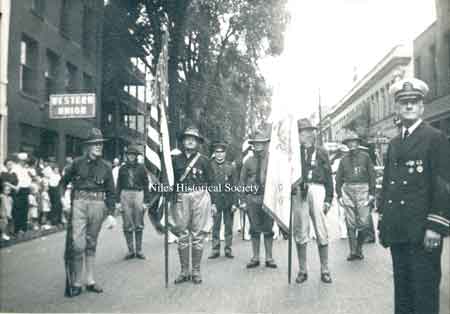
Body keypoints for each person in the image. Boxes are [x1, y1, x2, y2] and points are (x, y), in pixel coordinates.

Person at [379, 77, 450, 314]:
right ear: (397, 108)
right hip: (399, 231)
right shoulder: (395, 143)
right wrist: (384, 222)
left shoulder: (435, 138)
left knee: (424, 293)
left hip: (422, 232)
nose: (409, 106)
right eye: (404, 102)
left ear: (422, 106)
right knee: (403, 294)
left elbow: (442, 185)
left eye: (414, 101)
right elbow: (389, 185)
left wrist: (435, 226)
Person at [60, 128, 117, 297]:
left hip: (98, 205)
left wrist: (111, 214)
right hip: (79, 203)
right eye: (95, 144)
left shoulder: (106, 167)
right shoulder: (77, 163)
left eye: (100, 144)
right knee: (77, 244)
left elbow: (111, 192)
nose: (98, 146)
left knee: (91, 243)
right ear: (88, 146)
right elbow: (62, 183)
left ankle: (90, 280)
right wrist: (63, 199)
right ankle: (76, 282)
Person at [170, 125, 214, 285]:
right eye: (187, 138)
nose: (189, 141)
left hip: (200, 196)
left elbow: (212, 183)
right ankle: (184, 271)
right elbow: (170, 182)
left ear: (197, 142)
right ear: (183, 141)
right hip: (182, 197)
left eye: (193, 138)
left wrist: (213, 203)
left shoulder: (204, 161)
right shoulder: (174, 161)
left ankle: (196, 271)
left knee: (197, 235)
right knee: (182, 234)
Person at [292, 118, 333, 284]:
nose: (306, 134)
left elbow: (329, 177)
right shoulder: (294, 153)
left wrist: (329, 199)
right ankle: (303, 270)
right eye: (302, 131)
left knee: (321, 231)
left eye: (308, 131)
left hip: (317, 190)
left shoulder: (322, 152)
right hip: (300, 191)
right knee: (300, 232)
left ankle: (325, 269)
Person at [335, 130, 376, 261]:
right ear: (347, 145)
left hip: (363, 189)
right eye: (349, 143)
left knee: (364, 222)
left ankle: (359, 247)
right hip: (348, 190)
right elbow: (338, 178)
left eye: (354, 142)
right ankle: (353, 251)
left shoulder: (365, 157)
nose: (352, 145)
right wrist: (339, 195)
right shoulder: (343, 160)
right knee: (350, 222)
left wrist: (372, 193)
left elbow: (372, 175)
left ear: (358, 143)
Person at [240, 130, 277, 269]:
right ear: (252, 145)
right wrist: (242, 200)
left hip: (268, 198)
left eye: (261, 143)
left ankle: (269, 257)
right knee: (254, 228)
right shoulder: (248, 161)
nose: (258, 146)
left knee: (268, 228)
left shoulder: (273, 160)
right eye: (256, 144)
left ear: (266, 144)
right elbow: (241, 181)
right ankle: (255, 257)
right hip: (252, 198)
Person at [116, 145, 150, 260]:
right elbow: (119, 185)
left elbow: (146, 185)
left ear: (136, 156)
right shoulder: (122, 169)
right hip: (125, 194)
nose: (131, 157)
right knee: (127, 223)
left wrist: (146, 201)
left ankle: (139, 250)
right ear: (126, 156)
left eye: (133, 155)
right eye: (129, 155)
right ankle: (130, 250)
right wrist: (117, 201)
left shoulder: (141, 168)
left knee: (139, 223)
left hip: (138, 194)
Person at [208, 140, 238, 259]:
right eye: (217, 152)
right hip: (215, 200)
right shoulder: (210, 166)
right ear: (214, 153)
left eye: (222, 152)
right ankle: (215, 249)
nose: (219, 154)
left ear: (225, 153)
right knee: (215, 226)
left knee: (228, 226)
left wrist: (235, 202)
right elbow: (208, 185)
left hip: (228, 201)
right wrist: (211, 202)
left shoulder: (231, 166)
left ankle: (228, 249)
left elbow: (235, 185)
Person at [12, 153, 32, 234]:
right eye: (23, 161)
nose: (25, 163)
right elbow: (17, 180)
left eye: (25, 161)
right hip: (19, 190)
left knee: (25, 209)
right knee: (18, 209)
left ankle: (23, 228)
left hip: (26, 190)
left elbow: (28, 179)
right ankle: (18, 228)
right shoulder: (16, 168)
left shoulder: (25, 169)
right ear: (20, 161)